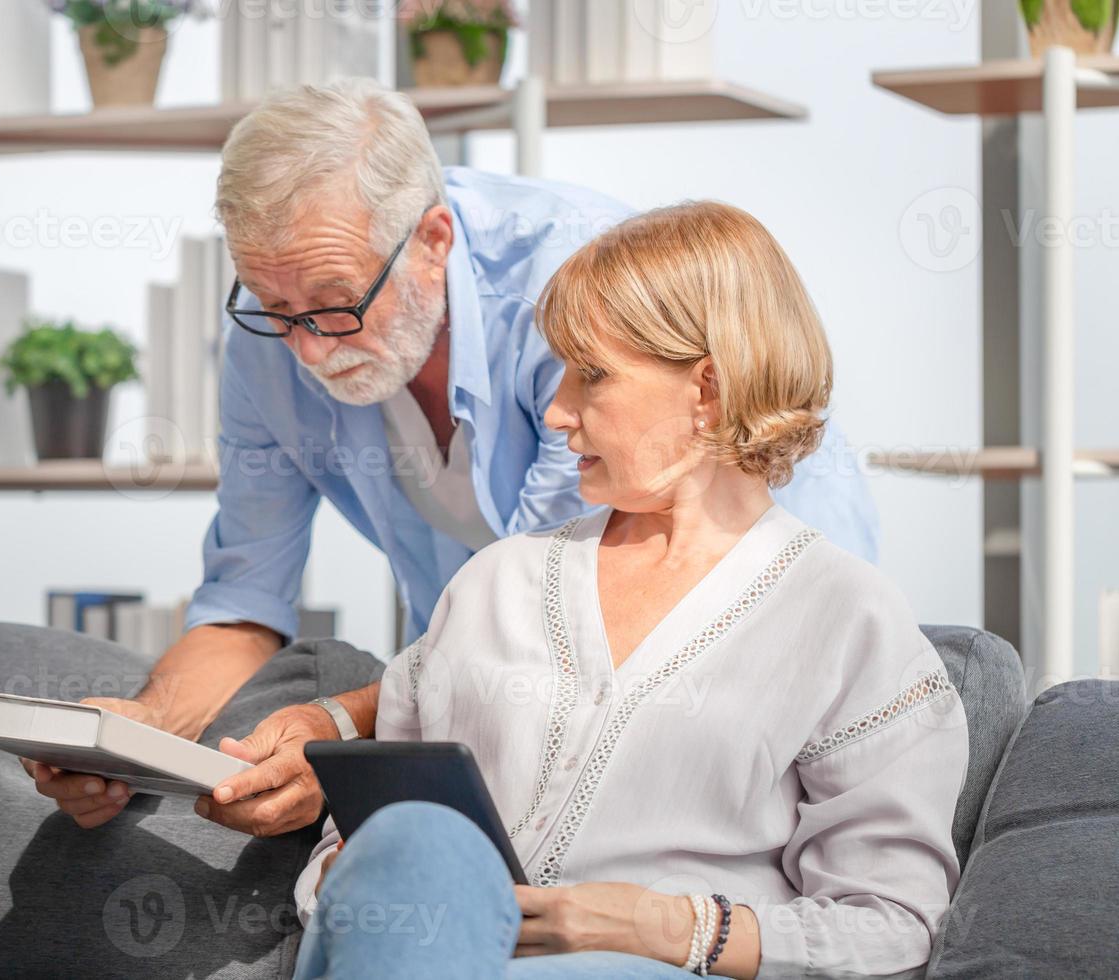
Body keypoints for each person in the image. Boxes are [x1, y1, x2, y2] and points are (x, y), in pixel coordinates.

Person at [22, 79, 881, 838]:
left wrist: (342, 723)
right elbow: (245, 597)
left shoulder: (574, 296)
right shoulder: (272, 329)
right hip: (499, 690)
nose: (308, 351)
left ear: (433, 237)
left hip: (706, 645)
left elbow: (567, 607)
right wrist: (137, 731)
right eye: (274, 306)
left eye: (334, 305)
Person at [289, 201, 968, 978]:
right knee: (415, 842)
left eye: (592, 376)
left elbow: (892, 927)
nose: (555, 412)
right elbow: (358, 833)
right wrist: (361, 874)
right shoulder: (492, 584)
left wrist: (662, 927)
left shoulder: (850, 621)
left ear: (707, 390)